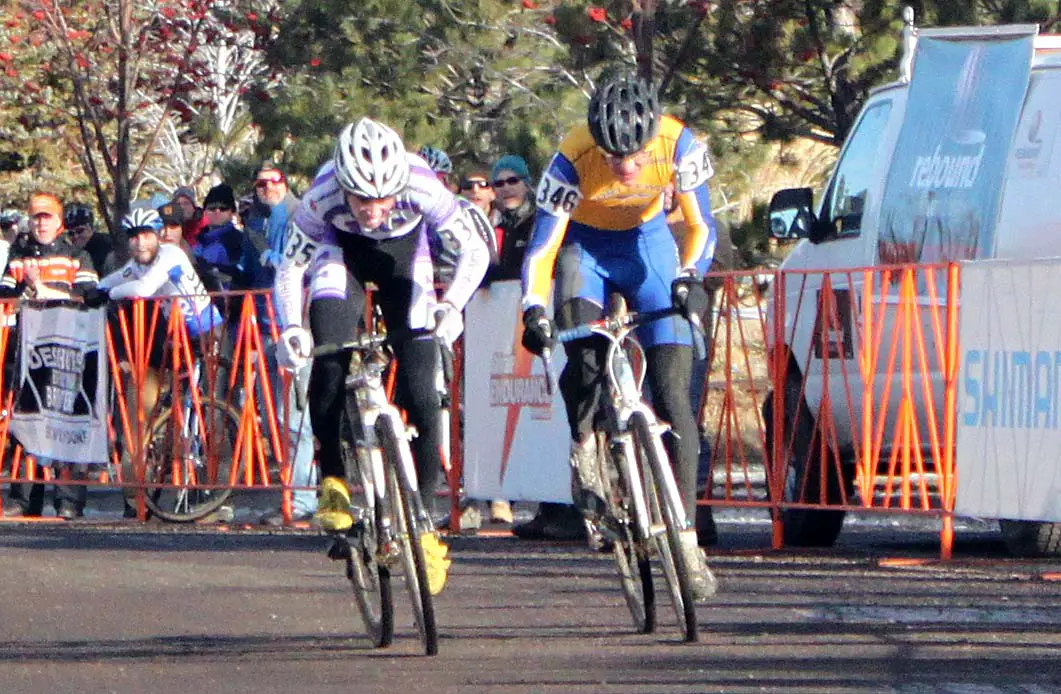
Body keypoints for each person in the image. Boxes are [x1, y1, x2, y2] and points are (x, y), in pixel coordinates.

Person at [518, 71, 718, 599]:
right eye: (612, 156)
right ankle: (584, 444)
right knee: (582, 361)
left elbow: (701, 227)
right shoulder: (571, 158)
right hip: (586, 253)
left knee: (675, 397)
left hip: (648, 249)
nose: (625, 167)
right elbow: (542, 249)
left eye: (634, 155)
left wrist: (690, 277)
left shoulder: (679, 142)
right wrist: (534, 308)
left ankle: (688, 541)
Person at [273, 117, 490, 595]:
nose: (371, 211)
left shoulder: (423, 186)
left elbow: (474, 251)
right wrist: (291, 327)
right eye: (361, 199)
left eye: (382, 199)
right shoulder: (322, 195)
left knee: (423, 390)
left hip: (405, 258)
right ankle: (333, 480)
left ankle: (423, 523)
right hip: (339, 257)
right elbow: (290, 266)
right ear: (344, 187)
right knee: (328, 358)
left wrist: (451, 306)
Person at [94, 209, 226, 517]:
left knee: (202, 414)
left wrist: (109, 293)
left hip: (205, 333)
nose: (140, 242)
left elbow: (141, 289)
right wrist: (98, 289)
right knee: (154, 413)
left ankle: (207, 493)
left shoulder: (170, 254)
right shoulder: (139, 263)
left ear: (157, 236)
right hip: (174, 338)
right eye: (134, 237)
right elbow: (119, 277)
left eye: (146, 235)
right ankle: (141, 495)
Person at [1, 192, 99, 519]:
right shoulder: (17, 255)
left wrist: (42, 287)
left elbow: (89, 297)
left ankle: (69, 500)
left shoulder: (76, 256)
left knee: (67, 423)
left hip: (68, 350)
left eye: (47, 217)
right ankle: (23, 497)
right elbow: (5, 295)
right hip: (27, 352)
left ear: (59, 222)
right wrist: (25, 287)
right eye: (36, 217)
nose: (41, 223)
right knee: (25, 423)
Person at [240, 163, 318, 525]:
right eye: (260, 184)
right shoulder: (258, 218)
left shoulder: (299, 213)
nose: (267, 188)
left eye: (273, 182)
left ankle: (302, 499)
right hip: (269, 325)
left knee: (295, 417)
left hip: (296, 327)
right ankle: (297, 492)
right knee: (277, 418)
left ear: (285, 182)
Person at [64, 203, 114, 275]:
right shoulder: (73, 251)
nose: (76, 236)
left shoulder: (106, 245)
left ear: (91, 228)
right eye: (71, 233)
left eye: (80, 231)